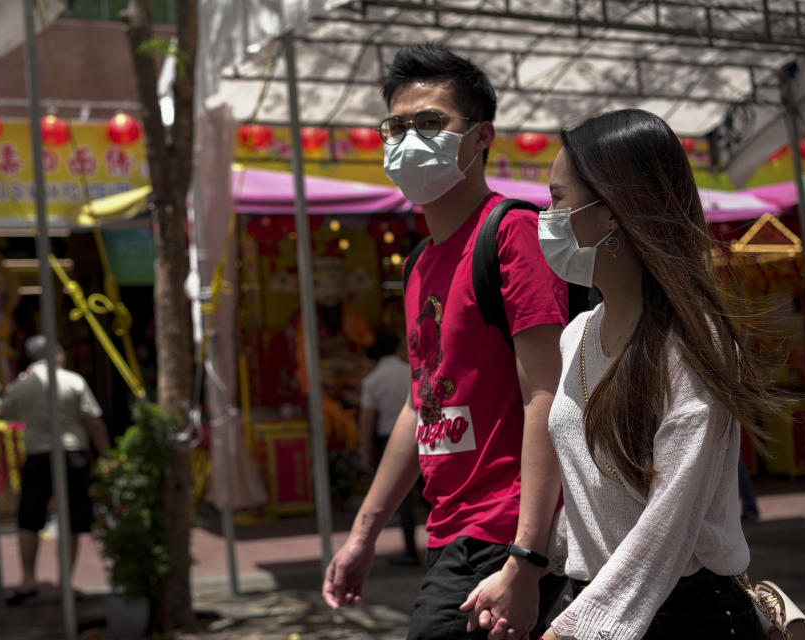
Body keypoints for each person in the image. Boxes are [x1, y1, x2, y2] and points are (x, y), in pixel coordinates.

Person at [462, 109, 772, 639]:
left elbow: (665, 531)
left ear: (611, 214)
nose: (546, 214)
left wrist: (573, 630)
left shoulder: (692, 341)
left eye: (558, 198)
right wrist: (526, 567)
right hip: (604, 606)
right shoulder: (577, 333)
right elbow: (596, 507)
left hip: (687, 618)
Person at [322, 43, 569, 639]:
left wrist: (529, 558)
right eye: (396, 126)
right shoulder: (418, 265)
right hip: (450, 531)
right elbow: (421, 402)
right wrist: (363, 535)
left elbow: (548, 396)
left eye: (431, 123)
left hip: (507, 535)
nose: (409, 139)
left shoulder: (511, 233)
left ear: (481, 136)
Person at [3, 335, 111, 605]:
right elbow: (93, 421)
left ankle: (28, 578)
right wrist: (106, 454)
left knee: (29, 518)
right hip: (71, 454)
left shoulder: (23, 385)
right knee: (71, 521)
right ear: (56, 353)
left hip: (37, 456)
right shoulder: (73, 381)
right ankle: (65, 581)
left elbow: (6, 413)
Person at [358, 331, 418, 565]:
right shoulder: (410, 371)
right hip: (423, 432)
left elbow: (367, 418)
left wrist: (363, 449)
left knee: (401, 498)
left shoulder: (372, 380)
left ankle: (410, 550)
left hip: (390, 439)